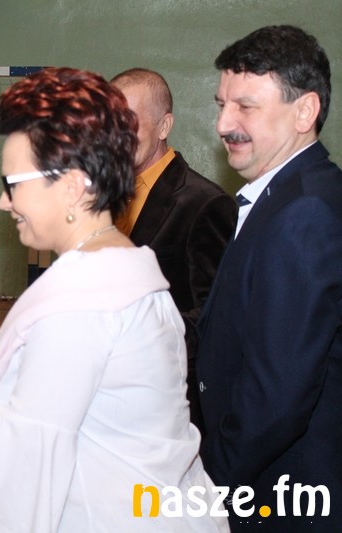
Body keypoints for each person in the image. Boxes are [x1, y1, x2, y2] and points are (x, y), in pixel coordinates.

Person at [0, 67, 228, 532]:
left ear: (71, 186)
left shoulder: (86, 301)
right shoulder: (122, 272)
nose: (4, 203)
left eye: (14, 184)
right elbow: (56, 424)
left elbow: (27, 455)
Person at [196, 25, 341, 530]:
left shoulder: (305, 213)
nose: (223, 123)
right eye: (222, 105)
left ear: (305, 111)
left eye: (246, 107)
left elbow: (276, 397)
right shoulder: (291, 194)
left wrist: (208, 487)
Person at [110, 68, 237, 433]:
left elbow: (213, 315)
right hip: (114, 393)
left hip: (171, 401)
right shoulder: (104, 197)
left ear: (164, 126)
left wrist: (134, 339)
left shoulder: (205, 204)